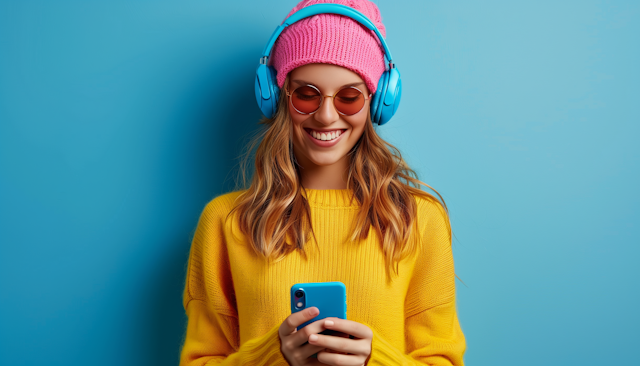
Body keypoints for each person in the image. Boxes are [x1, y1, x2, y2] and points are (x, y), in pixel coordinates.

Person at [178, 0, 466, 365]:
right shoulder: (225, 222)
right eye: (306, 94)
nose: (326, 115)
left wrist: (373, 360)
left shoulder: (420, 219)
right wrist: (275, 354)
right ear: (276, 98)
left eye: (349, 97)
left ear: (378, 102)